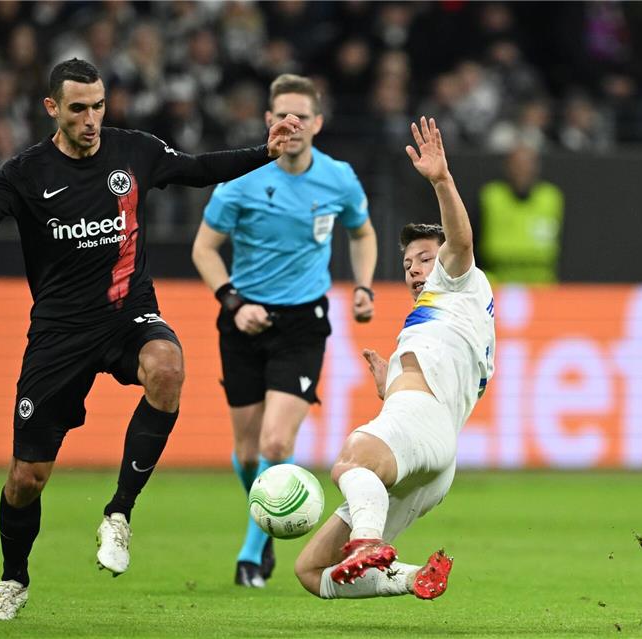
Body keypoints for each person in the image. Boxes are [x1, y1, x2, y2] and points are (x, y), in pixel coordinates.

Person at [0, 58, 302, 621]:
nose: (91, 118)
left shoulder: (133, 151)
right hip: (59, 334)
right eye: (78, 108)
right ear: (52, 109)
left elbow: (196, 168)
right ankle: (13, 579)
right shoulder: (25, 173)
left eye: (98, 106)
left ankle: (119, 514)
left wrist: (263, 151)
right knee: (26, 479)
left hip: (127, 314)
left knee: (167, 368)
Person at [293, 116, 495, 602]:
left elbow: (462, 244)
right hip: (434, 456)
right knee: (312, 569)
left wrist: (442, 180)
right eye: (408, 264)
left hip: (419, 423)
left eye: (425, 258)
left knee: (350, 460)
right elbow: (443, 373)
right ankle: (412, 577)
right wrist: (395, 381)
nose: (414, 269)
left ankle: (368, 541)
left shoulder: (459, 281)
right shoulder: (446, 318)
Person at [191, 73, 378, 588]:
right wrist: (232, 302)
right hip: (244, 319)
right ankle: (270, 522)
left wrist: (363, 286)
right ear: (268, 121)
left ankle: (254, 548)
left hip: (303, 322)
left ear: (318, 123)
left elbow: (362, 232)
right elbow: (204, 249)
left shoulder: (339, 178)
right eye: (281, 115)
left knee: (276, 442)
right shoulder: (241, 181)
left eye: (300, 115)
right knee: (248, 452)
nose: (290, 124)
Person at [478, 145, 564, 284]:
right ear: (507, 167)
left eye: (527, 165)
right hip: (498, 283)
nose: (522, 171)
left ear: (536, 168)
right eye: (517, 165)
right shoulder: (491, 197)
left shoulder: (551, 198)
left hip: (542, 285)